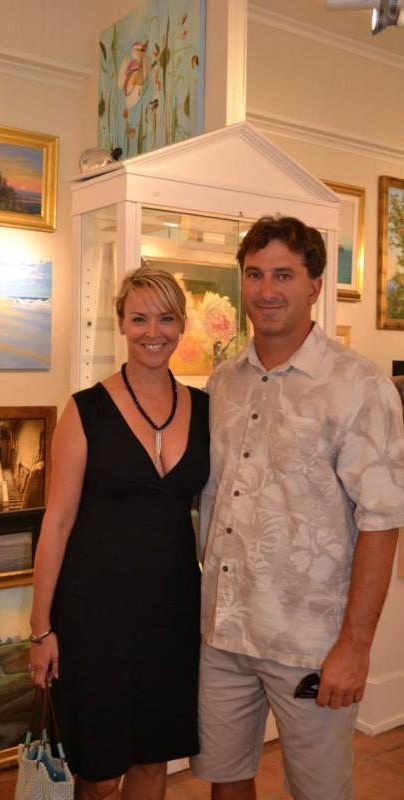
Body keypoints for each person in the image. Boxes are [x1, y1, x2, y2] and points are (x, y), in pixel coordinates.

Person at [191, 216, 404, 800]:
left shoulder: (358, 386)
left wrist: (355, 647)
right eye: (254, 274)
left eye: (283, 275)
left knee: (319, 793)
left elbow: (382, 521)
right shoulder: (222, 383)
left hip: (311, 644)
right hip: (223, 633)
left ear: (315, 285)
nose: (266, 290)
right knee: (225, 780)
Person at [29, 265, 210, 800]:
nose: (153, 331)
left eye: (166, 318)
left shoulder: (205, 409)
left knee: (153, 760)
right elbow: (57, 522)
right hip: (94, 618)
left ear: (182, 326)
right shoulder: (85, 409)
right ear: (121, 324)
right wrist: (40, 629)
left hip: (172, 613)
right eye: (139, 319)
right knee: (101, 774)